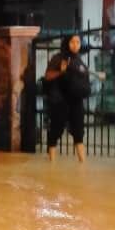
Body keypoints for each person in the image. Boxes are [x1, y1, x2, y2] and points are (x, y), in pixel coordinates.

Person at [44, 34, 91, 162]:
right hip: (60, 101)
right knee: (56, 130)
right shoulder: (58, 58)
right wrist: (61, 71)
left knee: (79, 132)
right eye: (72, 42)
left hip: (76, 102)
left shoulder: (80, 61)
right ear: (67, 43)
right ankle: (51, 163)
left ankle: (83, 164)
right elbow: (47, 76)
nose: (75, 45)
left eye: (78, 42)